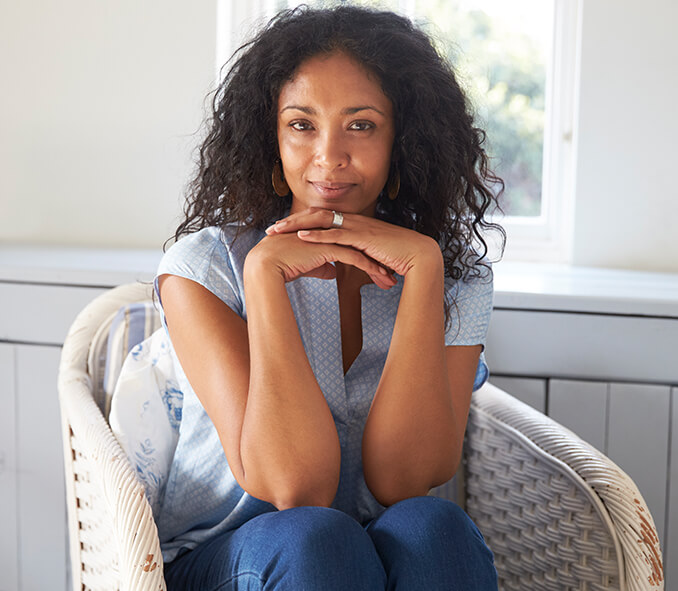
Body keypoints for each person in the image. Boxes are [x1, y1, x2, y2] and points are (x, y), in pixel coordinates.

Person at [153, 5, 503, 590]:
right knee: (319, 538)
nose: (329, 156)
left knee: (433, 525)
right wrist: (264, 277)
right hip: (231, 557)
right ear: (272, 137)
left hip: (372, 552)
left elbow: (403, 481)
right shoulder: (205, 269)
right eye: (301, 124)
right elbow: (297, 488)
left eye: (361, 125)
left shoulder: (455, 276)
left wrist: (423, 271)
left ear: (403, 138)